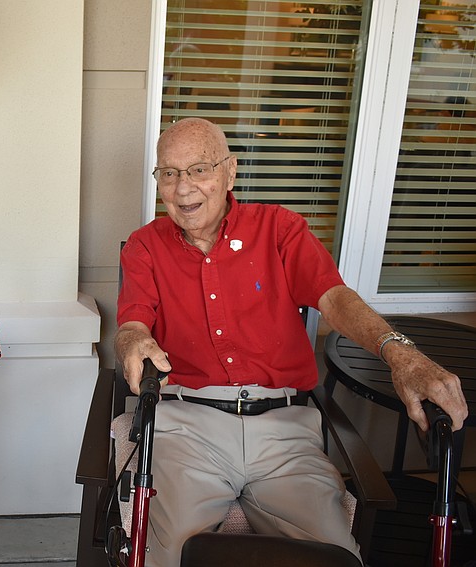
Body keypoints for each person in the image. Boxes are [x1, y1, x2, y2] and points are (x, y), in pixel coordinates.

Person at [115, 117, 468, 565]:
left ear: (230, 171)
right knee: (168, 557)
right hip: (187, 428)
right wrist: (132, 342)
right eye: (169, 173)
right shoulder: (146, 246)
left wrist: (401, 354)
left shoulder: (279, 229)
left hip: (284, 434)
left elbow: (334, 297)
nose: (183, 188)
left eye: (199, 169)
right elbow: (133, 324)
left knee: (332, 556)